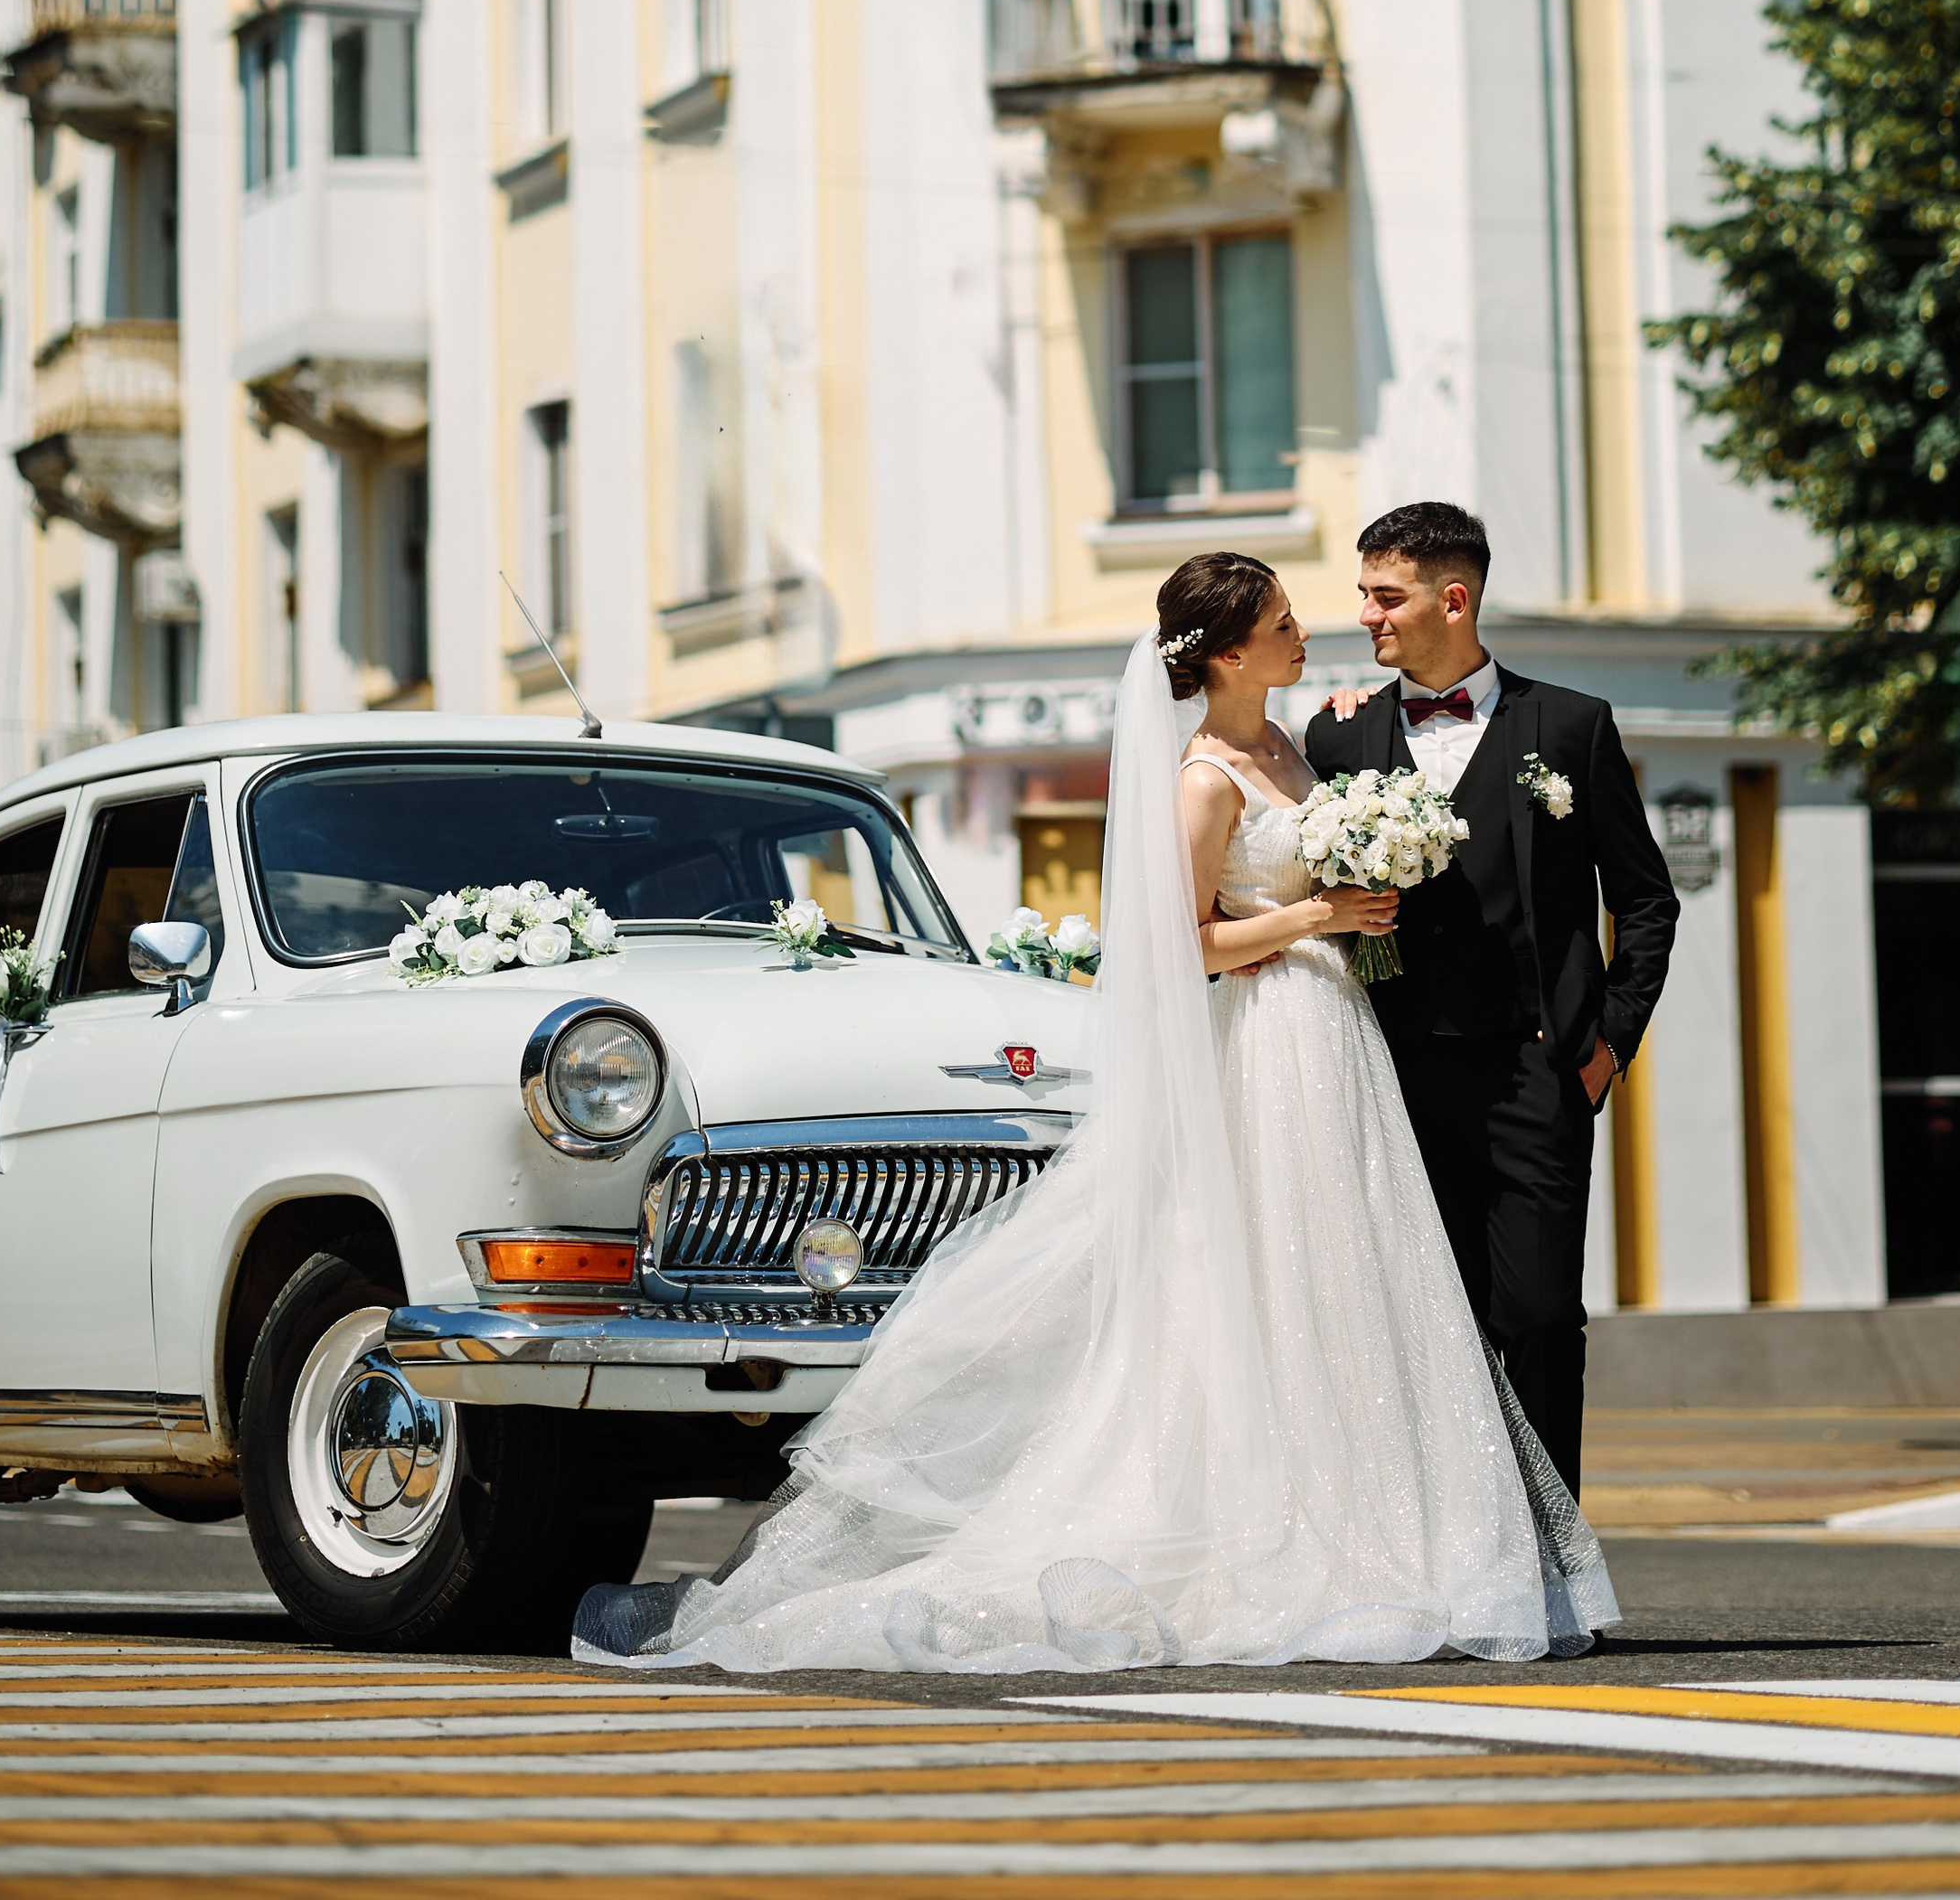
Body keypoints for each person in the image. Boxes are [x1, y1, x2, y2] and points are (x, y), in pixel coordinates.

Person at [570, 549, 1615, 1674]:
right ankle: (1263, 1534)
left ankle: (1387, 1534)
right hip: (1267, 1039)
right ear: (1224, 652)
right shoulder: (1207, 773)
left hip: (1333, 1040)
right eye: (1279, 620)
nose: (1303, 630)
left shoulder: (1293, 747)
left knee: (1342, 1285)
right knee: (1262, 1280)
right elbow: (1174, 941)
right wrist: (1317, 916)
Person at [1310, 503, 1678, 1502]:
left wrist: (1608, 1043)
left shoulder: (1569, 724)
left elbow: (1646, 900)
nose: (1367, 616)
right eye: (1365, 596)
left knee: (1540, 1313)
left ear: (1453, 598)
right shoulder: (1339, 737)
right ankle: (1467, 1558)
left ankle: (1559, 1558)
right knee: (1434, 1321)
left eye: (1385, 596)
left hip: (1536, 1067)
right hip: (1397, 1076)